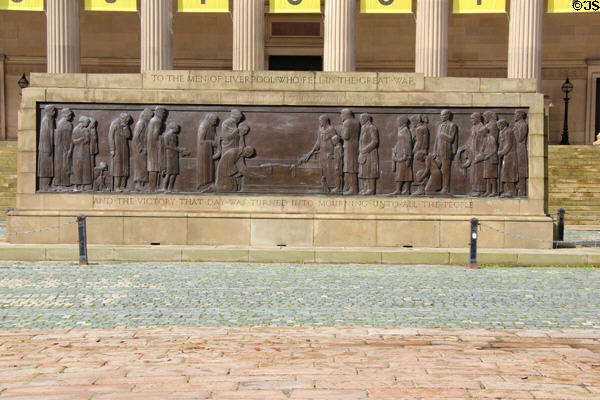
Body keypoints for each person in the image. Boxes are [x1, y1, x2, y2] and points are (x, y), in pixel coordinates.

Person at [300, 114, 337, 192]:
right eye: (319, 120)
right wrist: (311, 152)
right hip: (322, 153)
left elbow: (336, 142)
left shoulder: (331, 129)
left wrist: (334, 153)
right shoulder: (320, 130)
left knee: (330, 170)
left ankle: (332, 187)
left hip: (329, 154)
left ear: (325, 120)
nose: (319, 122)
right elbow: (318, 142)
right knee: (323, 170)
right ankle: (324, 186)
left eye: (321, 120)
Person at [432, 109, 458, 194]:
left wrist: (443, 135)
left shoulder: (452, 125)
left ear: (447, 116)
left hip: (446, 151)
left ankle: (445, 188)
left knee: (445, 170)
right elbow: (436, 139)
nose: (441, 117)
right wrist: (434, 151)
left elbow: (451, 138)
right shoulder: (440, 126)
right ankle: (434, 186)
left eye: (443, 115)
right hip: (438, 151)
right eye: (441, 115)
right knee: (434, 167)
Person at [162, 123, 190, 192]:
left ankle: (171, 188)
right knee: (169, 172)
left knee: (174, 172)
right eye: (177, 128)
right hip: (169, 155)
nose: (178, 130)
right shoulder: (167, 135)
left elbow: (176, 146)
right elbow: (166, 146)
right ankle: (164, 188)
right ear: (172, 128)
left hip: (175, 155)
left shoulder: (175, 136)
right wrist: (178, 149)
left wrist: (182, 150)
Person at [108, 112, 132, 191]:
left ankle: (123, 186)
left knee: (125, 167)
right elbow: (110, 136)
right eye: (126, 121)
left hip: (124, 148)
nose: (127, 122)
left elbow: (128, 136)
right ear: (122, 118)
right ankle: (116, 186)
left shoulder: (125, 125)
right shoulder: (114, 123)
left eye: (127, 121)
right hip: (116, 149)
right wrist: (112, 149)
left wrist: (126, 127)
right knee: (117, 168)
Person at [339, 108, 360, 195]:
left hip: (349, 147)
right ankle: (348, 187)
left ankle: (353, 189)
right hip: (355, 147)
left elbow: (346, 136)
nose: (341, 116)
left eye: (342, 114)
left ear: (346, 115)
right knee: (350, 167)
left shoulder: (347, 123)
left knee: (350, 168)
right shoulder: (356, 122)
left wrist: (341, 131)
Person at [147, 106, 168, 192]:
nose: (164, 115)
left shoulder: (152, 120)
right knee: (154, 167)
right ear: (158, 112)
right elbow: (156, 136)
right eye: (163, 113)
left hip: (151, 146)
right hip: (155, 147)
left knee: (153, 166)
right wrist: (164, 136)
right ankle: (153, 188)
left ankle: (153, 187)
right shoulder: (157, 121)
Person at [196, 112, 219, 189]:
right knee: (205, 168)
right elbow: (200, 141)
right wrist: (212, 143)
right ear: (209, 119)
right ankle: (203, 184)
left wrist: (218, 139)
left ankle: (209, 183)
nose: (215, 122)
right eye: (214, 120)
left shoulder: (212, 125)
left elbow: (214, 135)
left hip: (209, 150)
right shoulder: (203, 126)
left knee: (210, 167)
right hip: (203, 151)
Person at [70, 116, 93, 191]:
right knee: (77, 168)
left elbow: (88, 140)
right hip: (78, 151)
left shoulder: (86, 130)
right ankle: (76, 186)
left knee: (85, 169)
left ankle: (83, 185)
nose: (87, 124)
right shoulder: (75, 130)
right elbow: (73, 141)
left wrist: (86, 139)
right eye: (87, 123)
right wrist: (81, 139)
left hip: (85, 151)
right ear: (82, 122)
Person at [392, 115, 412, 196]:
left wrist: (406, 155)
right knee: (401, 172)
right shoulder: (400, 130)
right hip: (399, 153)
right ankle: (401, 190)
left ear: (403, 122)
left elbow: (408, 143)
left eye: (398, 121)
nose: (397, 122)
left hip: (404, 155)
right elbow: (399, 142)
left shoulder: (405, 130)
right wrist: (395, 148)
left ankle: (403, 190)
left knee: (404, 173)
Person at [53, 108, 74, 188]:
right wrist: (69, 149)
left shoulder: (60, 123)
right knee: (64, 165)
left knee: (62, 165)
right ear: (66, 114)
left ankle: (61, 183)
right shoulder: (66, 124)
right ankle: (63, 184)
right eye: (70, 114)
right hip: (64, 149)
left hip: (61, 148)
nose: (71, 116)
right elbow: (67, 138)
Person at [132, 108, 152, 191]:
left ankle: (144, 183)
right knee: (140, 166)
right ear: (145, 115)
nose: (150, 118)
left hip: (144, 148)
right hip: (139, 149)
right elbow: (136, 137)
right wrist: (141, 148)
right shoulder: (141, 123)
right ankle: (138, 184)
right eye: (150, 116)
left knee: (144, 166)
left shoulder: (146, 123)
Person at [37, 105, 56, 191]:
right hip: (45, 149)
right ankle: (44, 186)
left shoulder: (51, 120)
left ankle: (47, 185)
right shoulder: (45, 121)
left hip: (50, 148)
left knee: (49, 168)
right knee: (45, 168)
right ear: (48, 111)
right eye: (53, 111)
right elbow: (44, 136)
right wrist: (47, 148)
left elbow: (52, 133)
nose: (54, 113)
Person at [497, 119, 518, 197]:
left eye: (499, 125)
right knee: (505, 173)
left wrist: (502, 152)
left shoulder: (508, 132)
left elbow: (508, 144)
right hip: (506, 155)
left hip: (510, 155)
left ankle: (512, 191)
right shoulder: (502, 132)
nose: (498, 127)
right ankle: (509, 190)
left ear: (503, 124)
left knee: (508, 172)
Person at [411, 115, 430, 196]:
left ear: (417, 121)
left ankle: (421, 189)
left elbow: (419, 143)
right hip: (423, 151)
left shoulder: (419, 129)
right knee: (421, 169)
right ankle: (422, 188)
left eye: (413, 122)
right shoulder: (424, 128)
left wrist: (413, 152)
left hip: (419, 152)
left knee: (418, 170)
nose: (412, 123)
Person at [514, 110, 529, 196]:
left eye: (516, 114)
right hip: (516, 147)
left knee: (521, 169)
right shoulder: (517, 124)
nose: (514, 116)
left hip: (520, 147)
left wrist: (515, 131)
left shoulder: (523, 125)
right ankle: (519, 187)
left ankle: (522, 190)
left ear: (520, 115)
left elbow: (520, 138)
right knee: (517, 168)